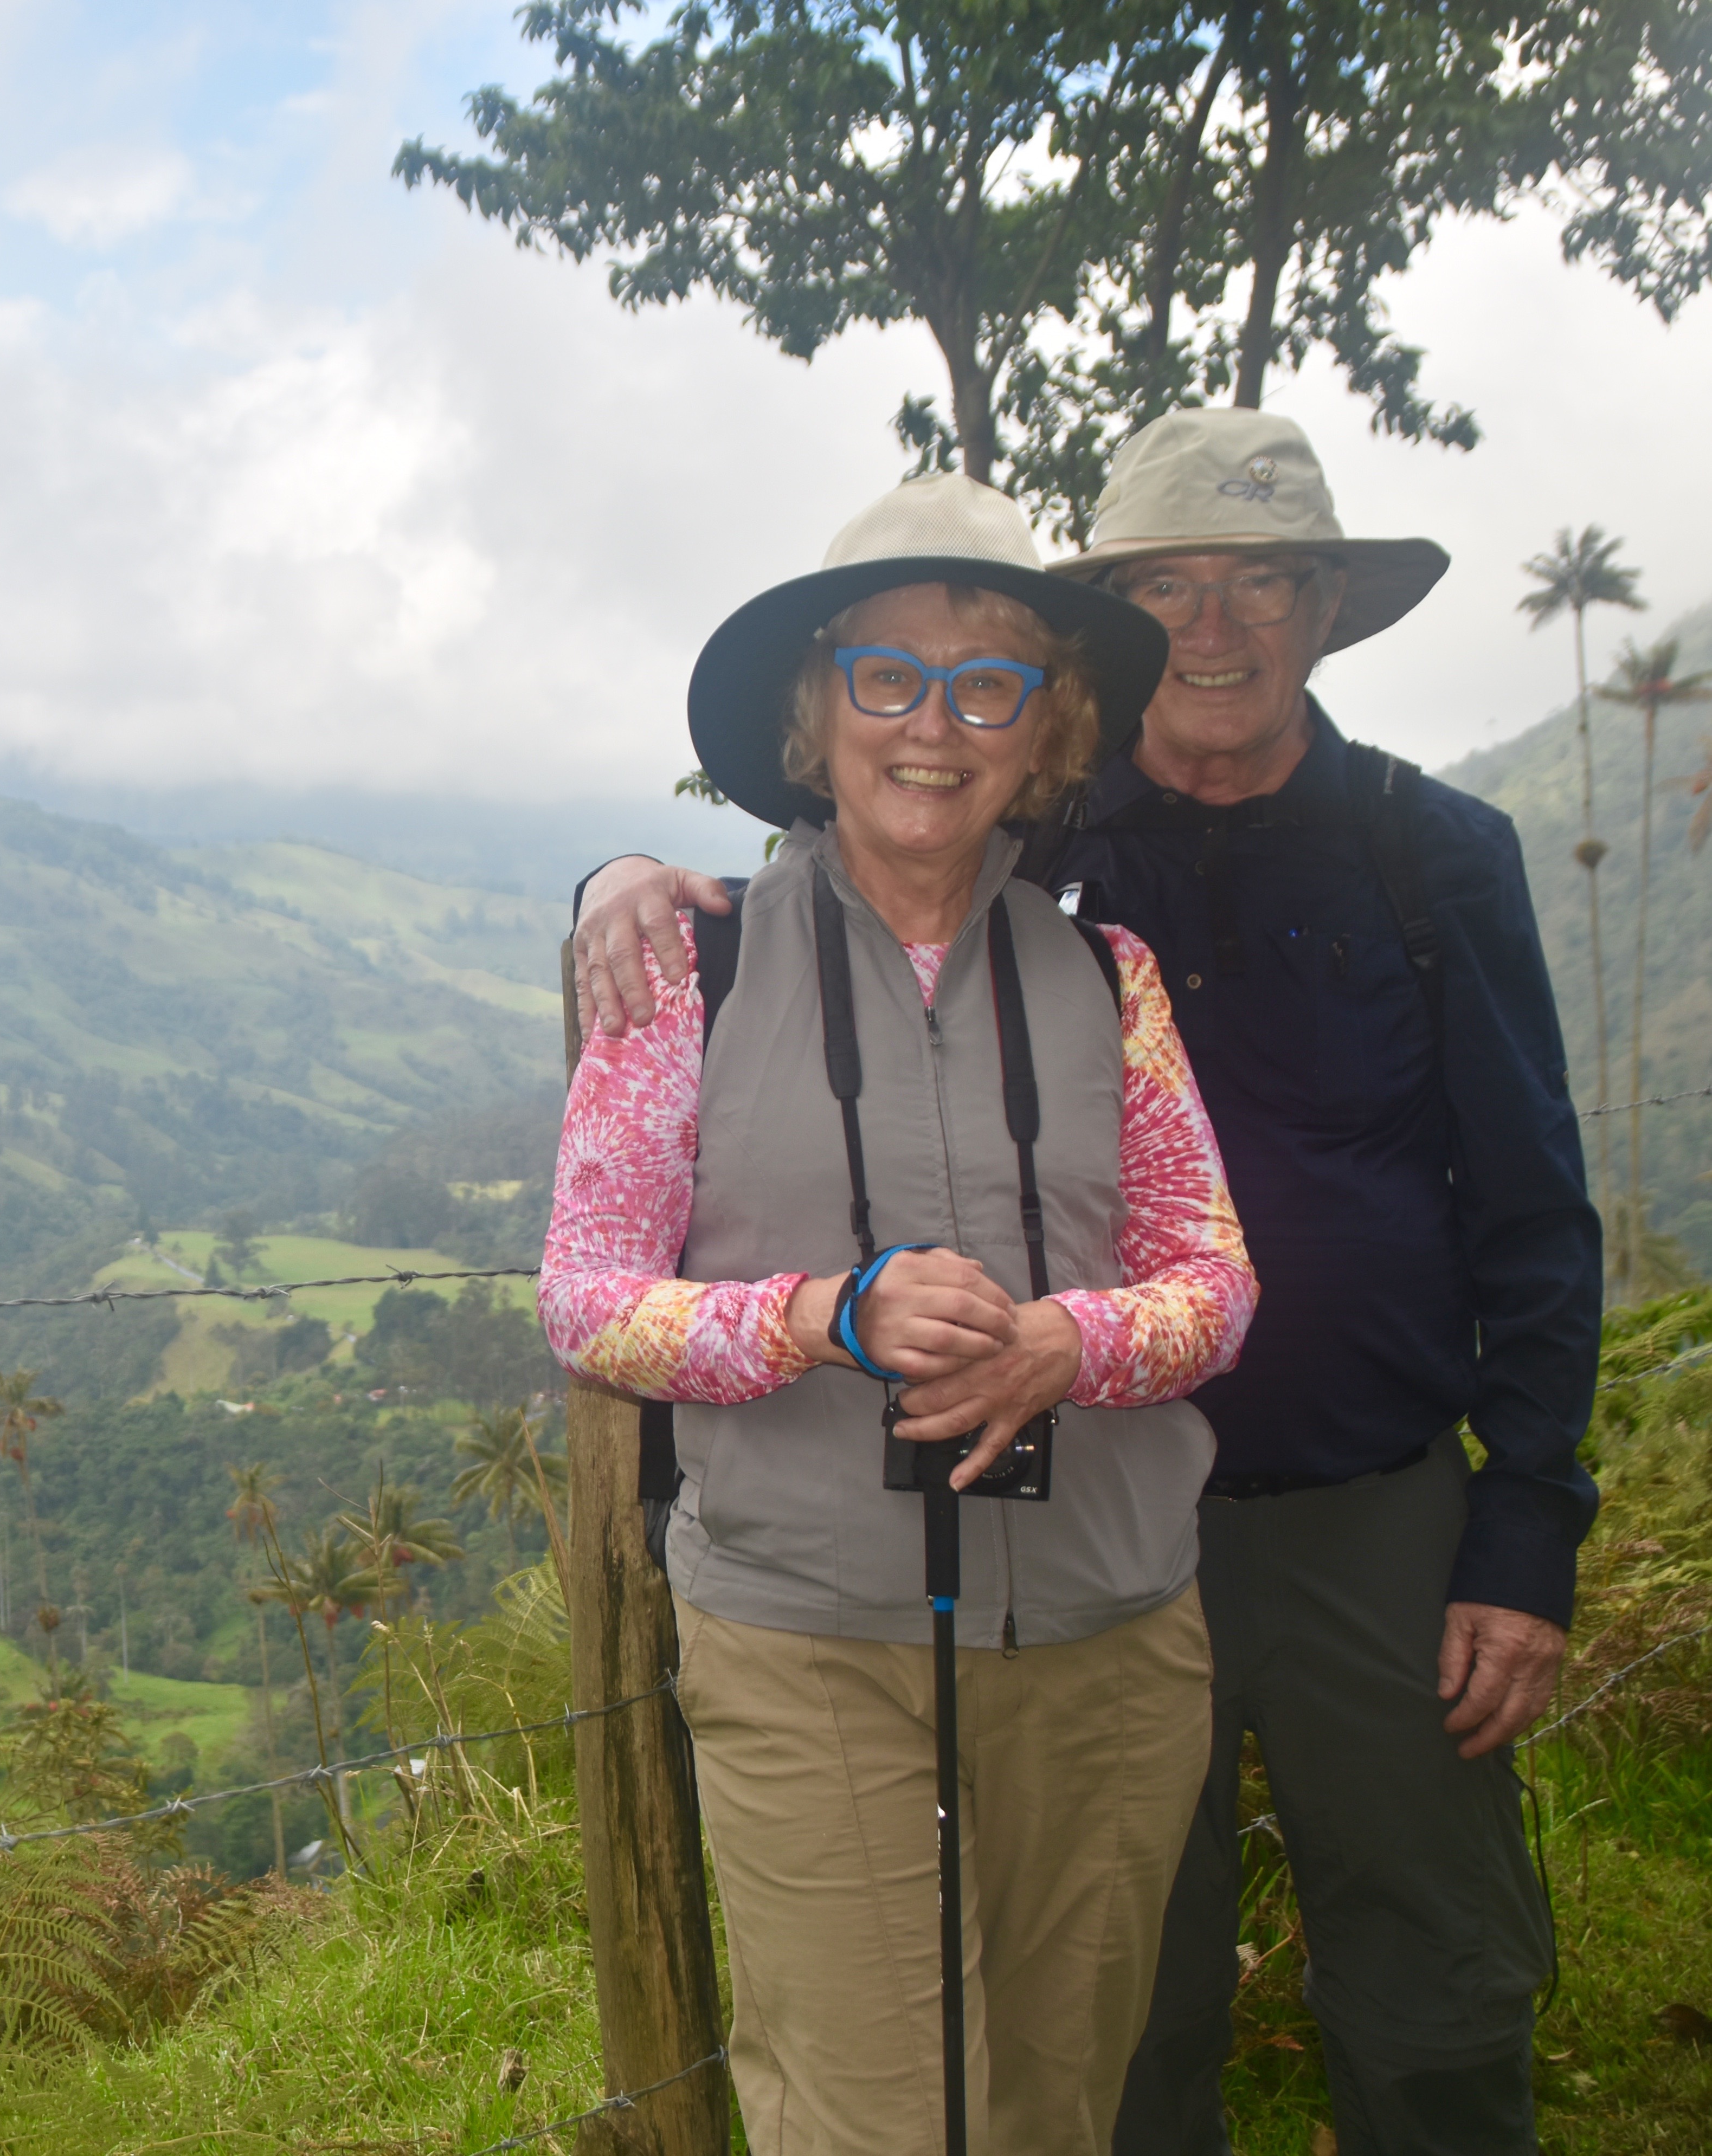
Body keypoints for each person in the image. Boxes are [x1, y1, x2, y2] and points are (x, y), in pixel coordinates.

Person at [571, 409, 1599, 2156]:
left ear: (1324, 607)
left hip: (1359, 1515)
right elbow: (844, 918)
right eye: (1165, 585)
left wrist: (1524, 1531)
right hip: (1071, 1540)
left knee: (1433, 1982)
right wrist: (616, 883)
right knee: (1124, 2029)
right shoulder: (1048, 846)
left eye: (1259, 576)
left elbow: (1529, 1212)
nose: (1214, 622)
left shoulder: (1428, 856)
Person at [541, 470, 1257, 2154]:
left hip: (1104, 1632)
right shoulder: (686, 973)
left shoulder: (1107, 979)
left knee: (1050, 2108)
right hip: (809, 1641)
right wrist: (816, 1318)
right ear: (816, 712)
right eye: (887, 675)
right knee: (863, 2120)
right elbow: (585, 1298)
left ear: (1045, 730)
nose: (933, 723)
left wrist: (1061, 1345)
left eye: (989, 682)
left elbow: (1213, 1282)